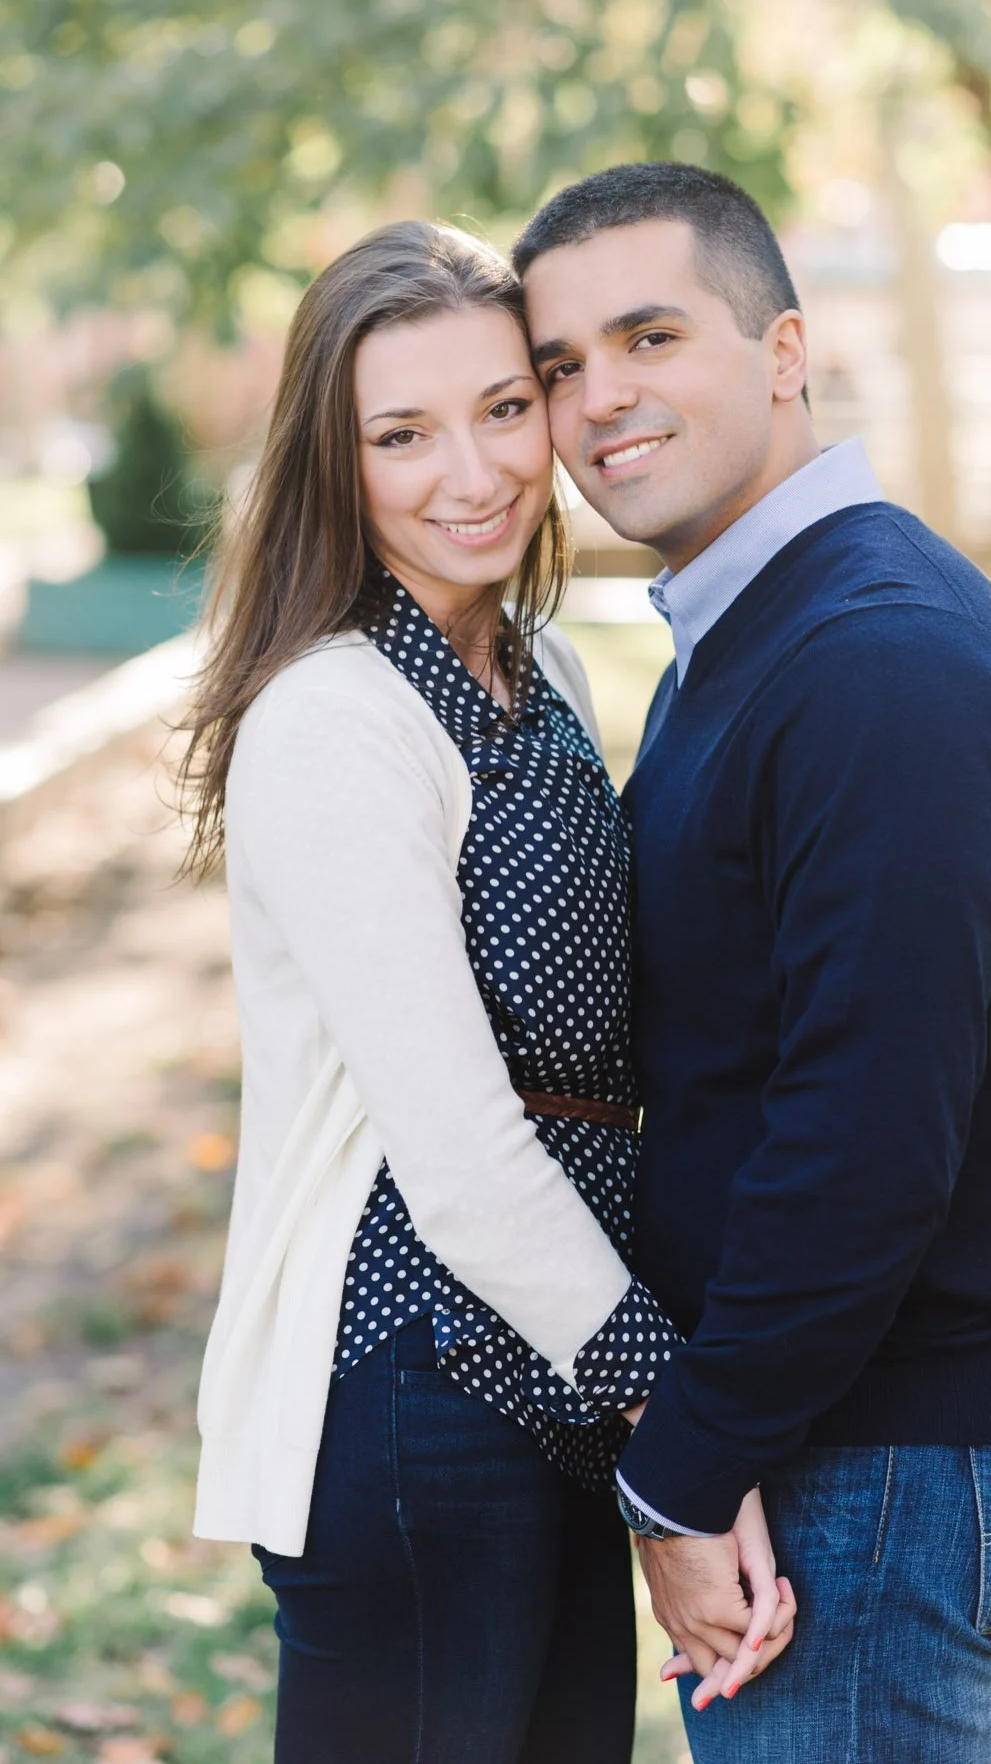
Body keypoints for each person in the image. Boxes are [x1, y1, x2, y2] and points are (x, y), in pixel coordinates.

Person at [513, 162, 991, 1761]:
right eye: (560, 365)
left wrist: (685, 1466)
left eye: (649, 335)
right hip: (830, 1425)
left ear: (783, 349)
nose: (598, 400)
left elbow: (866, 1134)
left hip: (885, 1452)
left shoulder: (878, 661)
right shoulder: (763, 628)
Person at [182, 220, 792, 1761]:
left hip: (566, 1368)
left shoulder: (543, 669)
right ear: (338, 460)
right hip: (415, 1386)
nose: (472, 472)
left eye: (503, 408)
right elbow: (455, 1150)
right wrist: (682, 1423)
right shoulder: (336, 716)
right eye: (401, 434)